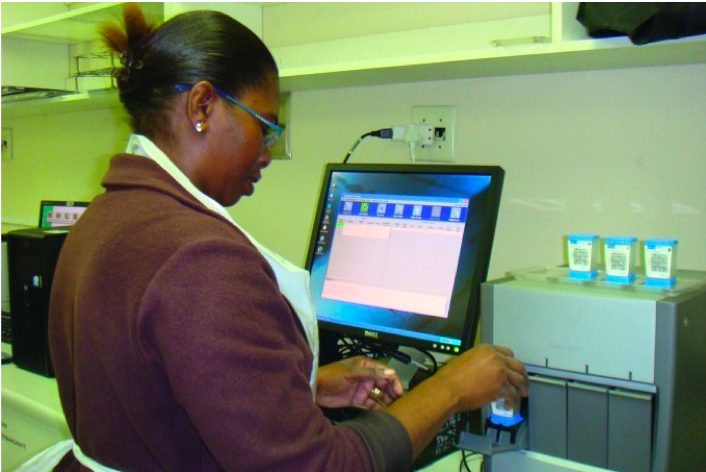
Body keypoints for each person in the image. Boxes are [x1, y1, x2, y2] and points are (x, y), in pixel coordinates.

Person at [44, 3, 529, 471]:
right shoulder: (199, 259)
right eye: (265, 127)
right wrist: (450, 390)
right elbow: (321, 467)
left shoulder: (109, 216)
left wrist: (303, 386)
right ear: (203, 106)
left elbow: (155, 394)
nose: (268, 154)